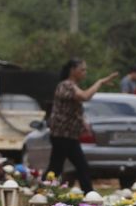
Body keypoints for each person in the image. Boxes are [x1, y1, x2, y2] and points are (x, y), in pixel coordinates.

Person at [47, 58, 117, 192]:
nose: (85, 73)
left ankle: (88, 194)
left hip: (69, 135)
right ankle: (45, 192)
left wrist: (83, 122)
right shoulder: (66, 85)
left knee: (72, 166)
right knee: (60, 167)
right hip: (62, 134)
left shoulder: (71, 86)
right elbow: (85, 96)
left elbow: (73, 109)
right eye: (82, 70)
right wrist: (100, 82)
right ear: (73, 70)